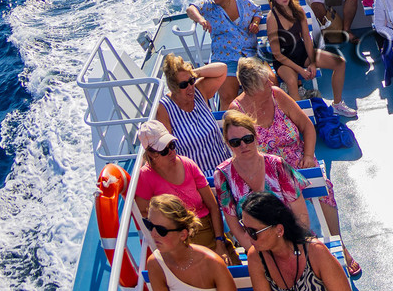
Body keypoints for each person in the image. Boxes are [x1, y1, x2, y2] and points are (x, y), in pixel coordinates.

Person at [229, 59, 360, 275]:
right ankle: (302, 256)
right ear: (251, 88)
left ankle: (339, 243)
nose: (270, 84)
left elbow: (307, 127)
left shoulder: (276, 95)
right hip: (267, 172)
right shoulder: (238, 111)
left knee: (323, 186)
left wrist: (308, 155)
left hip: (298, 161)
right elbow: (241, 154)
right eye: (264, 82)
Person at [241, 191, 369, 291]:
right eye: (245, 228)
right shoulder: (256, 258)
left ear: (279, 230)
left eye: (253, 232)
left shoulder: (315, 252)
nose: (247, 237)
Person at [141, 194, 242, 291]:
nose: (153, 234)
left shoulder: (212, 263)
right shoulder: (156, 264)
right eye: (149, 225)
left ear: (183, 234)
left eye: (161, 230)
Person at [212, 110, 310, 253]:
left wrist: (293, 247)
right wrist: (258, 254)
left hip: (290, 239)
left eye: (247, 139)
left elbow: (300, 215)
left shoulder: (277, 165)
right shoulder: (222, 175)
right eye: (235, 142)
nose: (243, 145)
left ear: (256, 137)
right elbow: (234, 226)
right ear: (228, 144)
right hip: (255, 246)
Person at [133, 119, 231, 261]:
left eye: (172, 145)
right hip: (176, 240)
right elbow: (144, 214)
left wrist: (220, 242)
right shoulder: (145, 177)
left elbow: (213, 206)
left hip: (206, 230)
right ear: (152, 154)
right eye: (165, 150)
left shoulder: (188, 164)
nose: (172, 152)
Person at [264, 0, 354, 116]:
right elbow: (277, 54)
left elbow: (307, 38)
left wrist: (312, 62)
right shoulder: (272, 18)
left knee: (340, 63)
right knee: (292, 81)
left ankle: (337, 104)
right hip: (284, 60)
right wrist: (301, 70)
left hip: (302, 53)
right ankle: (302, 120)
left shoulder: (297, 11)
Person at [187, 0, 261, 107]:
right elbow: (191, 9)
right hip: (225, 58)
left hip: (248, 55)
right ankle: (230, 126)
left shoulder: (242, 1)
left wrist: (255, 23)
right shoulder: (209, 6)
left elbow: (257, 11)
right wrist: (201, 19)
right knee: (227, 97)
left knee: (262, 89)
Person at [156, 54, 232, 179]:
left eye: (191, 81)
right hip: (198, 180)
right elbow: (165, 150)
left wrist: (193, 73)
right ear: (173, 87)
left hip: (226, 170)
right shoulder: (164, 108)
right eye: (183, 85)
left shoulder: (199, 91)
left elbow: (222, 69)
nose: (190, 87)